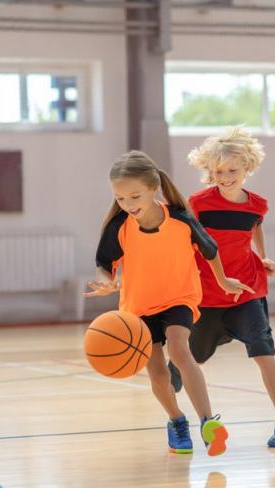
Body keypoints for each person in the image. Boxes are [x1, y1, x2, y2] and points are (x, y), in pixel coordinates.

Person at [85, 150, 253, 456]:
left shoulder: (180, 220)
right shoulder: (120, 227)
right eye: (120, 199)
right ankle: (176, 421)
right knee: (158, 374)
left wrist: (223, 280)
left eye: (134, 196)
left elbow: (210, 250)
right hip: (138, 308)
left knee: (179, 348)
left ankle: (207, 422)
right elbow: (103, 263)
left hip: (179, 298)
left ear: (153, 188)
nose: (128, 204)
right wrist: (106, 281)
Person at [168, 126, 275, 448]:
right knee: (187, 362)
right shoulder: (198, 204)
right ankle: (177, 402)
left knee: (264, 353)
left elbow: (255, 229)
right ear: (210, 172)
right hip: (207, 296)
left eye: (232, 170)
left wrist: (264, 256)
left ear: (247, 168)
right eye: (219, 171)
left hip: (247, 291)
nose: (225, 177)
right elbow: (185, 242)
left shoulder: (257, 205)